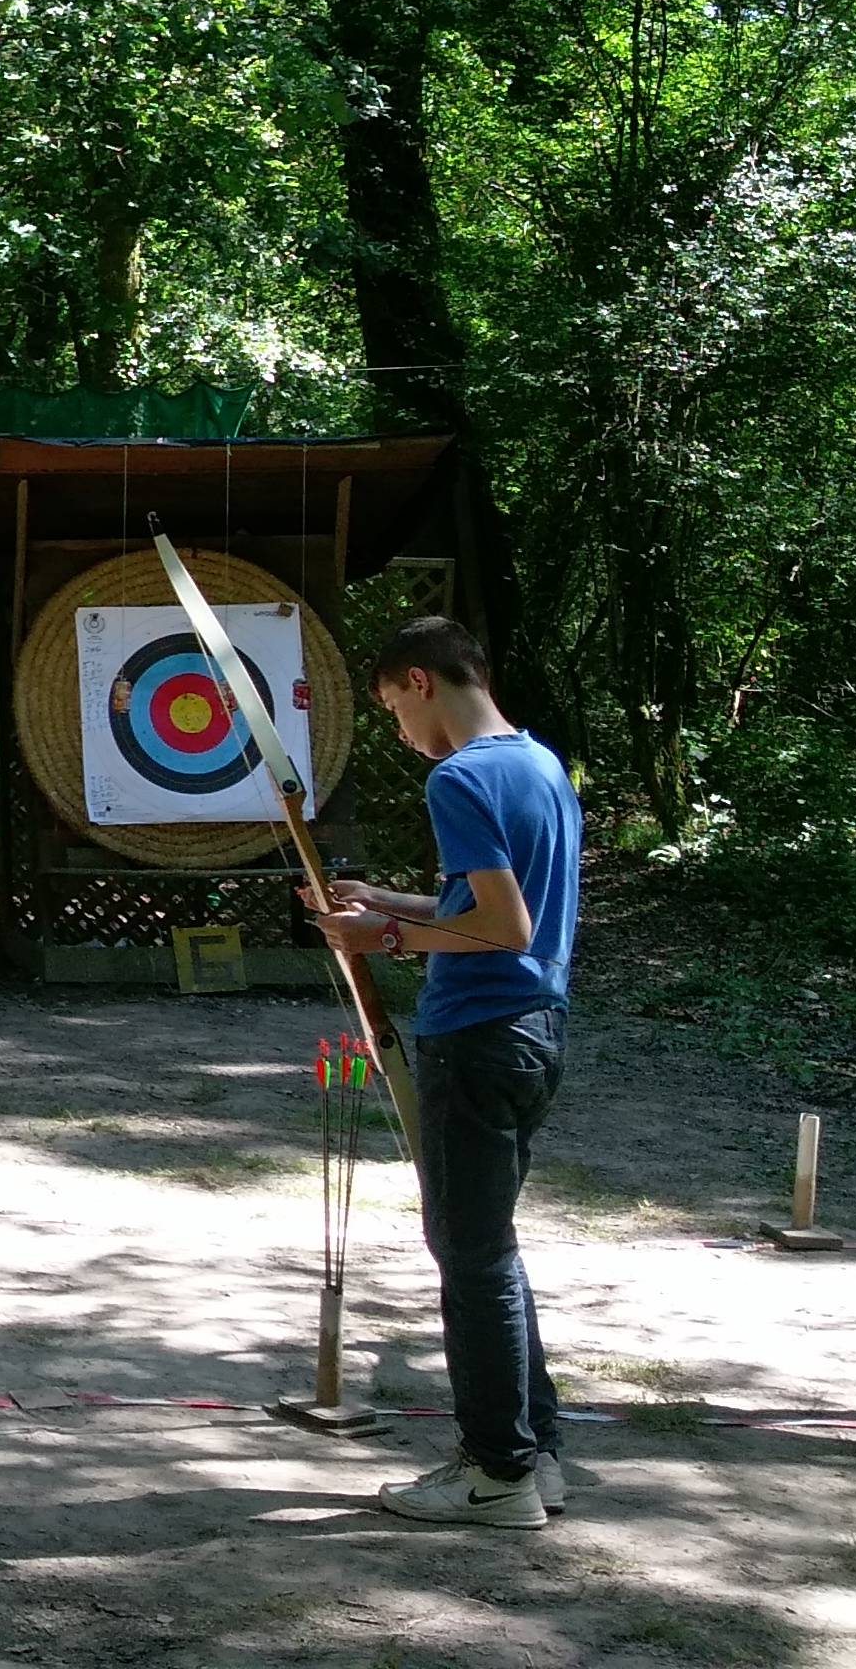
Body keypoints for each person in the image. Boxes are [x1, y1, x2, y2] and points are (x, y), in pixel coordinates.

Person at [313, 614, 580, 1529]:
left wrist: (384, 937)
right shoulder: (539, 763)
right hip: (534, 1030)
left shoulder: (459, 777)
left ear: (421, 682)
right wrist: (388, 902)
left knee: (472, 1255)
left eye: (394, 707)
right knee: (489, 1244)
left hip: (479, 1034)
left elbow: (503, 928)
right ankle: (536, 1455)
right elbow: (488, 904)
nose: (399, 730)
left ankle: (497, 1473)